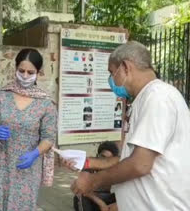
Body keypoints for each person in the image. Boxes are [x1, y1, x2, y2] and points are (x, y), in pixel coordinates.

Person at [71, 41, 190, 210]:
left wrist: (93, 181)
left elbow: (140, 164)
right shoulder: (147, 98)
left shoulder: (158, 97)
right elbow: (138, 161)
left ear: (126, 67)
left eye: (112, 73)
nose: (111, 80)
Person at [0, 48, 57, 211]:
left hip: (27, 167)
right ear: (15, 68)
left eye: (30, 72)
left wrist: (35, 154)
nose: (25, 76)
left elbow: (49, 138)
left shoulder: (45, 103)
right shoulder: (1, 96)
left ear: (38, 73)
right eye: (21, 71)